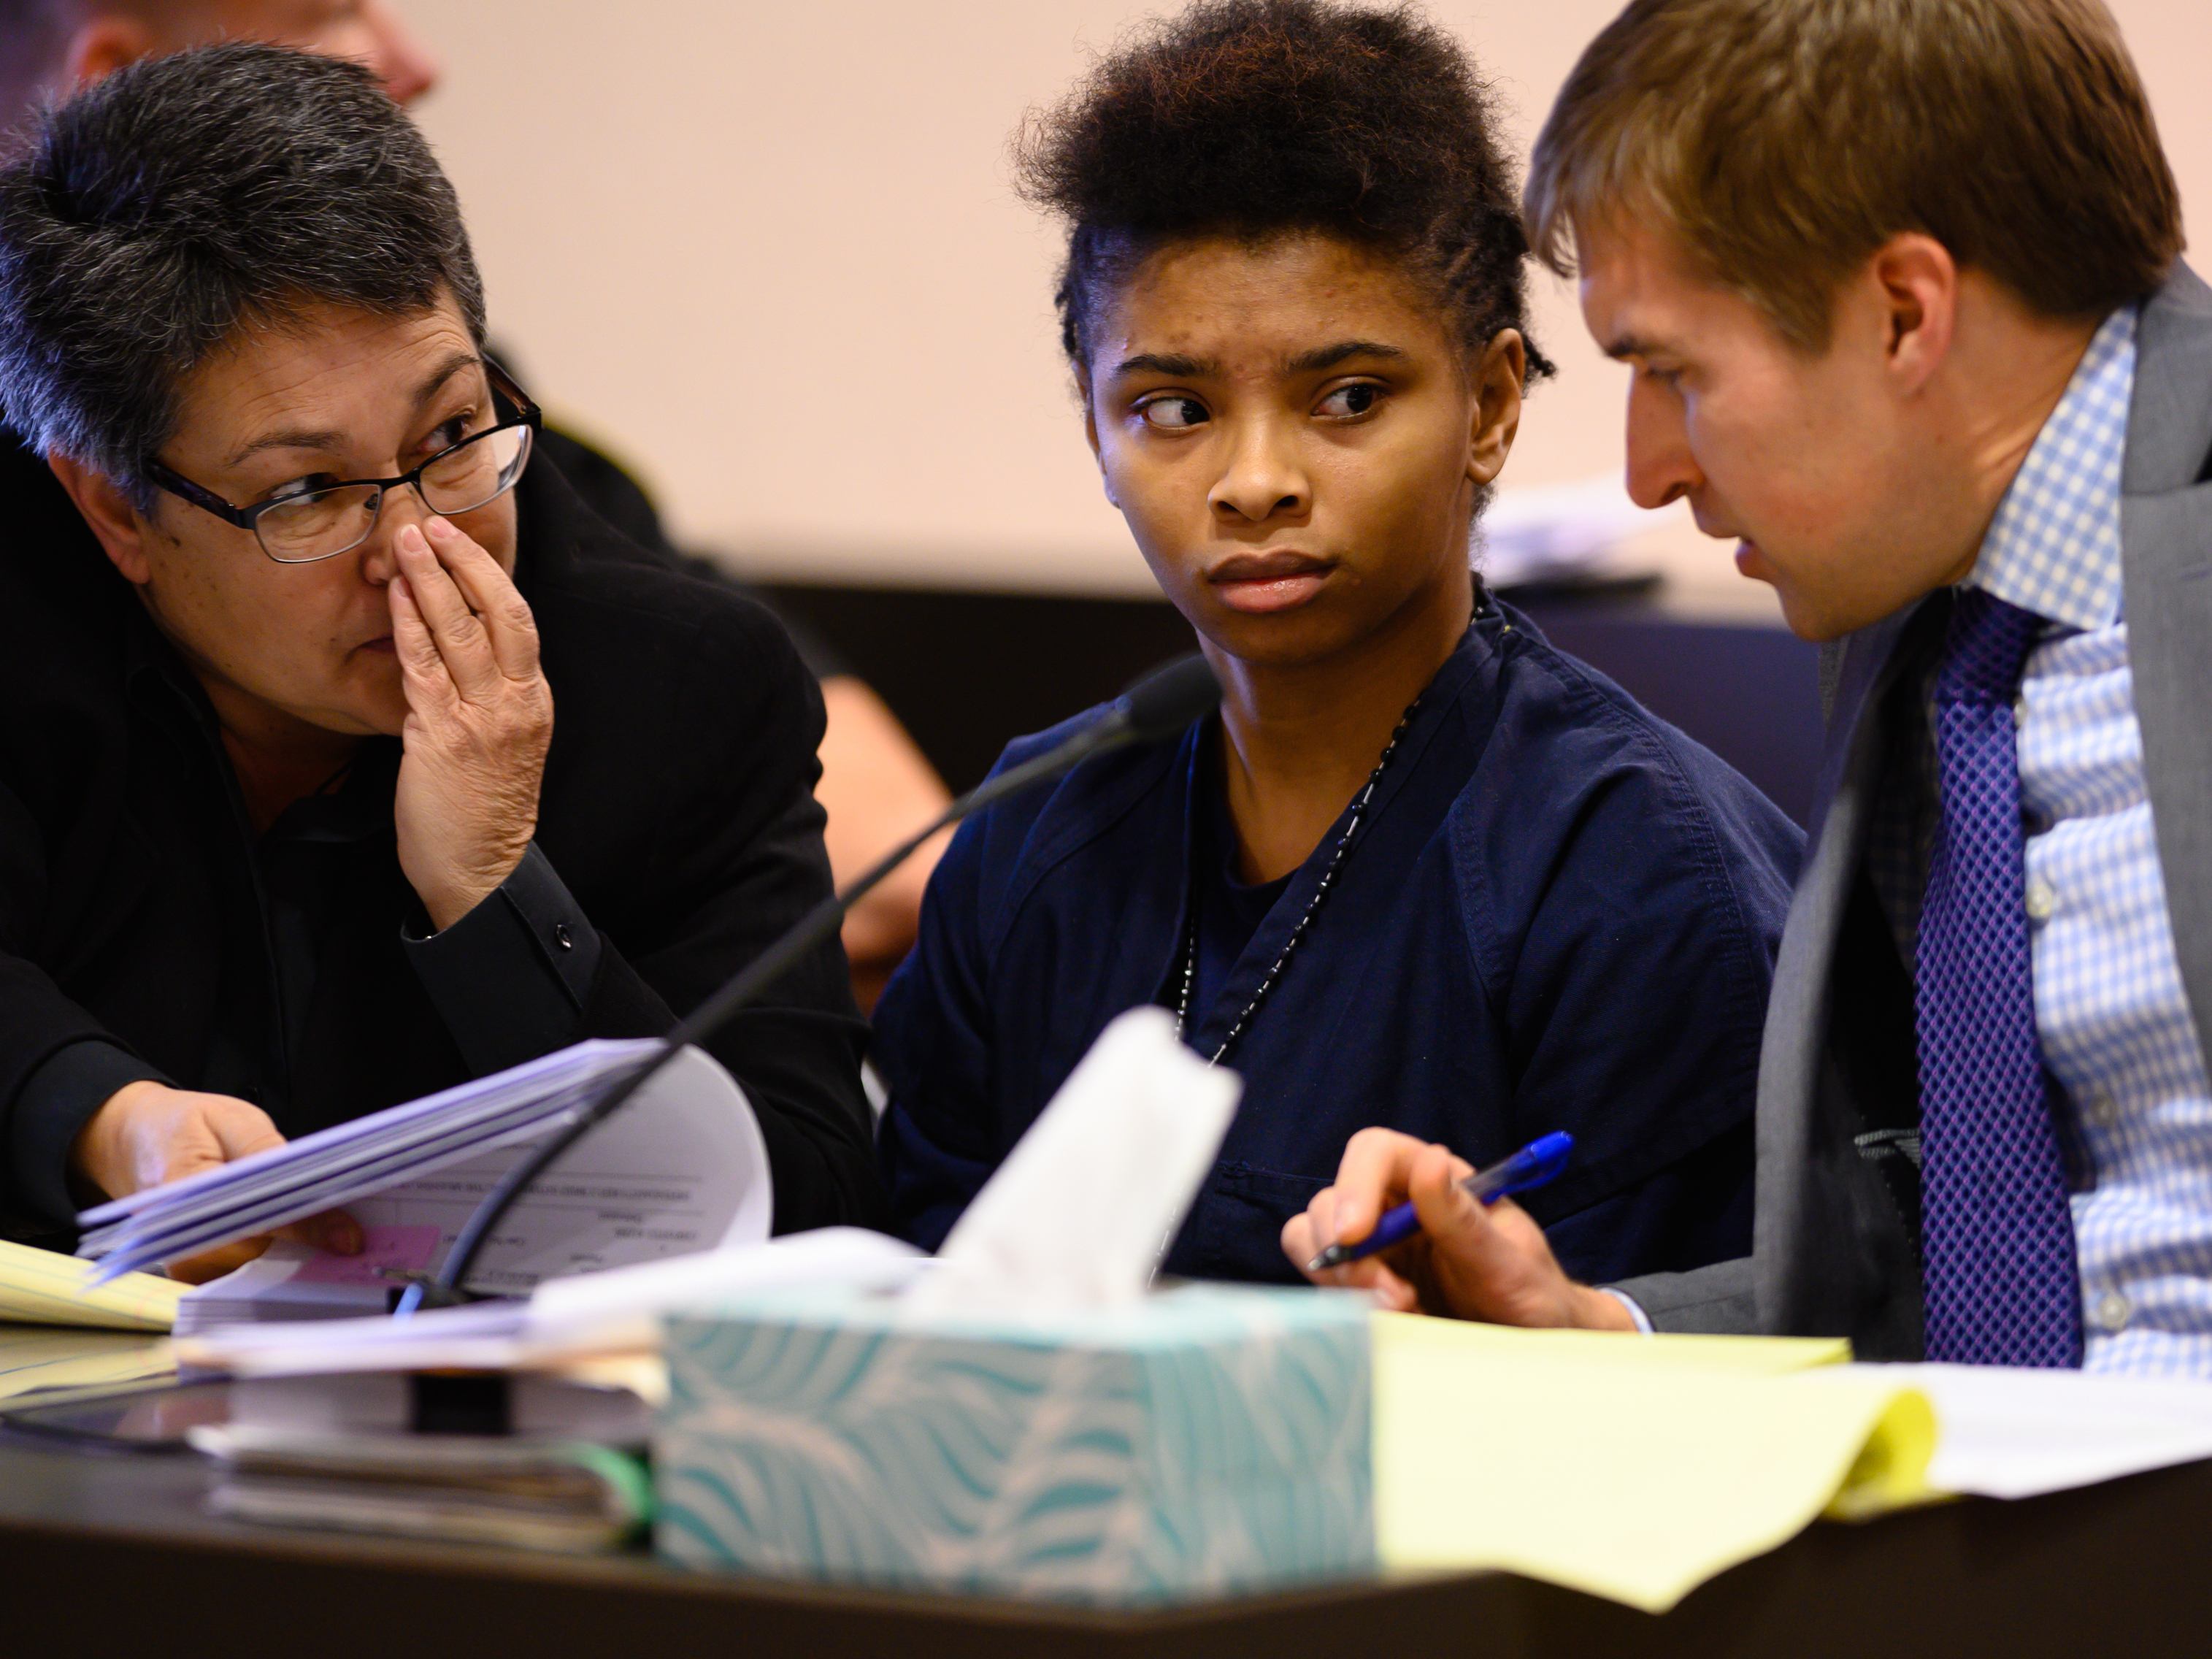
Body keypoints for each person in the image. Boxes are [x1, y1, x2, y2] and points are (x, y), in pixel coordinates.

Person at [1288, 0, 2212, 1373]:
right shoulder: (1922, 609)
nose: (1648, 467)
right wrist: (1593, 1325)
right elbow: (1963, 1258)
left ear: (1904, 313)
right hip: (1998, 1548)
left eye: (1671, 371)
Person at [872, 0, 1803, 1286]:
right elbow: (903, 1302)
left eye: (1347, 399)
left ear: (1487, 407)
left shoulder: (1643, 880)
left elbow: (1683, 1386)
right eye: (1173, 408)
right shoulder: (1025, 840)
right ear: (1096, 431)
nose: (1254, 481)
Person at [0, 42, 886, 1276]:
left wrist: (494, 895)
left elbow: (804, 1195)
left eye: (454, 431)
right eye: (308, 490)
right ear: (114, 511)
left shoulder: (683, 686)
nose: (417, 544)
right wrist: (93, 1112)